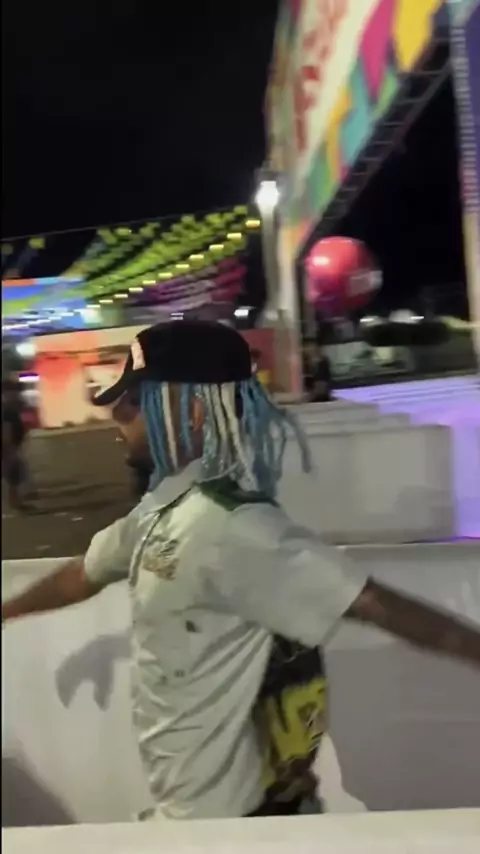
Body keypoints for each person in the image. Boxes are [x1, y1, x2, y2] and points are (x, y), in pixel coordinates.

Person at [3, 320, 480, 821]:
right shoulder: (160, 512)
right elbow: (81, 575)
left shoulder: (233, 527)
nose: (116, 412)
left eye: (136, 399)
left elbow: (375, 605)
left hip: (232, 824)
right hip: (188, 811)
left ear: (190, 409)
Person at [2, 378, 32, 512]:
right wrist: (10, 449)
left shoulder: (10, 409)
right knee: (13, 475)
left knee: (14, 475)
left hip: (10, 447)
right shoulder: (6, 411)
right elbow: (6, 430)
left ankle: (16, 501)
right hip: (7, 448)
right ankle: (15, 502)